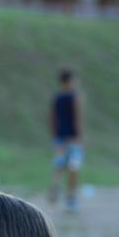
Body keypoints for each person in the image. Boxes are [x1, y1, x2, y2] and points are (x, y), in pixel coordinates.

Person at [49, 69, 83, 211]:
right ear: (69, 81)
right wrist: (79, 137)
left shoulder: (56, 98)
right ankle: (71, 198)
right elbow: (77, 118)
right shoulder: (74, 97)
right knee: (73, 168)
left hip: (59, 138)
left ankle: (54, 189)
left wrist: (54, 135)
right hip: (73, 139)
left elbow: (52, 118)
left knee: (59, 166)